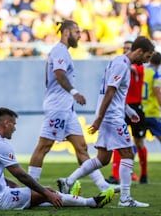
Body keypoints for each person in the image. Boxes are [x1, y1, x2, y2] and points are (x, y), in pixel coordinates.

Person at [57, 36, 155, 207]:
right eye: (146, 57)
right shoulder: (121, 65)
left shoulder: (118, 62)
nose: (146, 62)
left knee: (103, 159)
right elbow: (110, 92)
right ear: (139, 51)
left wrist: (129, 110)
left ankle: (68, 180)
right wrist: (99, 119)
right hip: (112, 117)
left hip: (111, 115)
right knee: (128, 154)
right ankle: (125, 199)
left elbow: (116, 95)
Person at [28, 20, 114, 194]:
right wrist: (74, 92)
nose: (80, 35)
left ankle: (103, 186)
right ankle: (32, 188)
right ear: (66, 32)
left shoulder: (63, 52)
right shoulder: (59, 51)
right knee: (44, 146)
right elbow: (58, 75)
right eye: (77, 32)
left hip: (67, 108)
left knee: (81, 147)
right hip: (58, 107)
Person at [0, 107, 115, 210]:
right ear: (6, 123)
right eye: (14, 124)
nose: (15, 129)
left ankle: (71, 198)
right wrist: (46, 192)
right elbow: (21, 175)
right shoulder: (0, 144)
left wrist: (12, 185)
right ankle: (92, 202)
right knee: (49, 192)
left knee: (38, 197)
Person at [106, 40, 145, 184]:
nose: (126, 51)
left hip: (134, 107)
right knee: (122, 147)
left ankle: (142, 174)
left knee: (138, 143)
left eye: (129, 48)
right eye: (124, 48)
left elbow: (135, 69)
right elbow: (110, 90)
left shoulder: (135, 66)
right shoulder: (122, 64)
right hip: (119, 109)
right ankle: (117, 178)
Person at [140, 51, 161, 183]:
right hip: (153, 113)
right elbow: (158, 93)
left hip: (140, 113)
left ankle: (143, 175)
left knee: (138, 143)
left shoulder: (142, 70)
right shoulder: (155, 74)